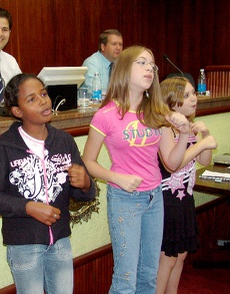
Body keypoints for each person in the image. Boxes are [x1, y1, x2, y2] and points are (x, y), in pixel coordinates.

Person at [82, 46, 191, 293]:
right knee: (126, 279)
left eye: (151, 65)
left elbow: (172, 163)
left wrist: (184, 134)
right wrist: (116, 177)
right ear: (124, 69)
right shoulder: (105, 115)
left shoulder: (157, 111)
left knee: (149, 275)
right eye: (141, 63)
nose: (149, 69)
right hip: (125, 199)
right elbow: (88, 161)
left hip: (155, 198)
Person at [0, 73, 96, 293]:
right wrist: (28, 207)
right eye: (32, 99)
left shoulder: (64, 141)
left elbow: (84, 194)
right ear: (17, 111)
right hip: (24, 245)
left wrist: (85, 184)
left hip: (61, 241)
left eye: (43, 94)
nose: (43, 100)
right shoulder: (3, 147)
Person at [156, 77, 217, 294]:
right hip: (167, 201)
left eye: (194, 94)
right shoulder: (164, 128)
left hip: (185, 198)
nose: (194, 99)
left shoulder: (189, 125)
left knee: (180, 255)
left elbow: (204, 160)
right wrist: (201, 143)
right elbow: (173, 164)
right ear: (171, 101)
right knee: (167, 258)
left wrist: (206, 135)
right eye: (187, 95)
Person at [82, 29, 123, 94]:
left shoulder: (121, 63)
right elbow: (94, 92)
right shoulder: (92, 63)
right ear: (103, 46)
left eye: (120, 44)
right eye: (114, 44)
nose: (118, 48)